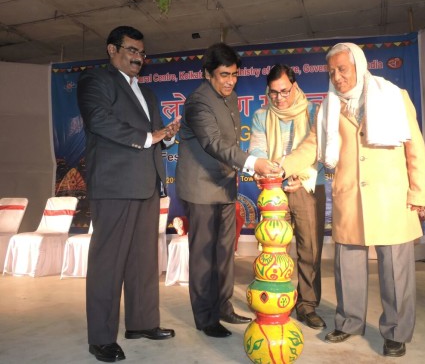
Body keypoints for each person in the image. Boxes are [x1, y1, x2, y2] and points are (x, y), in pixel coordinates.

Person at [280, 43, 425, 357]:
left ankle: (396, 332)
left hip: (392, 199)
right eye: (331, 72)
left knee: (395, 272)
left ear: (359, 66)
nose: (336, 77)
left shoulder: (394, 97)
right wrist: (281, 166)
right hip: (350, 199)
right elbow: (312, 147)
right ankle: (349, 323)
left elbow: (415, 148)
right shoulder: (328, 108)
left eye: (342, 69)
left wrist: (419, 192)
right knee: (348, 269)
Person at [77, 26, 179, 362]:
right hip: (115, 184)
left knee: (143, 261)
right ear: (111, 49)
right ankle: (102, 337)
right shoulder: (96, 81)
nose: (138, 57)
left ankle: (142, 323)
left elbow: (154, 134)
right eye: (131, 49)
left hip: (146, 184)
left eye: (142, 52)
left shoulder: (146, 93)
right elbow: (99, 121)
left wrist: (166, 136)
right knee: (109, 262)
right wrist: (151, 137)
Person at [175, 42, 279, 338]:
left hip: (225, 185)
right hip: (200, 189)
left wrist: (245, 166)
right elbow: (213, 144)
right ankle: (205, 317)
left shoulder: (231, 98)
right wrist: (253, 163)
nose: (230, 81)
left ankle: (223, 307)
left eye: (234, 74)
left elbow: (230, 144)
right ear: (208, 73)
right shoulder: (198, 102)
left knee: (224, 252)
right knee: (204, 256)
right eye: (224, 74)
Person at [248, 64, 326, 329]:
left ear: (295, 86)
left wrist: (298, 175)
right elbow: (258, 151)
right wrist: (271, 174)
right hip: (274, 189)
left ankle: (307, 304)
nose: (279, 98)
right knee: (274, 249)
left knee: (309, 249)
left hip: (308, 186)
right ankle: (278, 299)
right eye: (273, 93)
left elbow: (319, 151)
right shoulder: (261, 116)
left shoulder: (314, 111)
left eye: (284, 91)